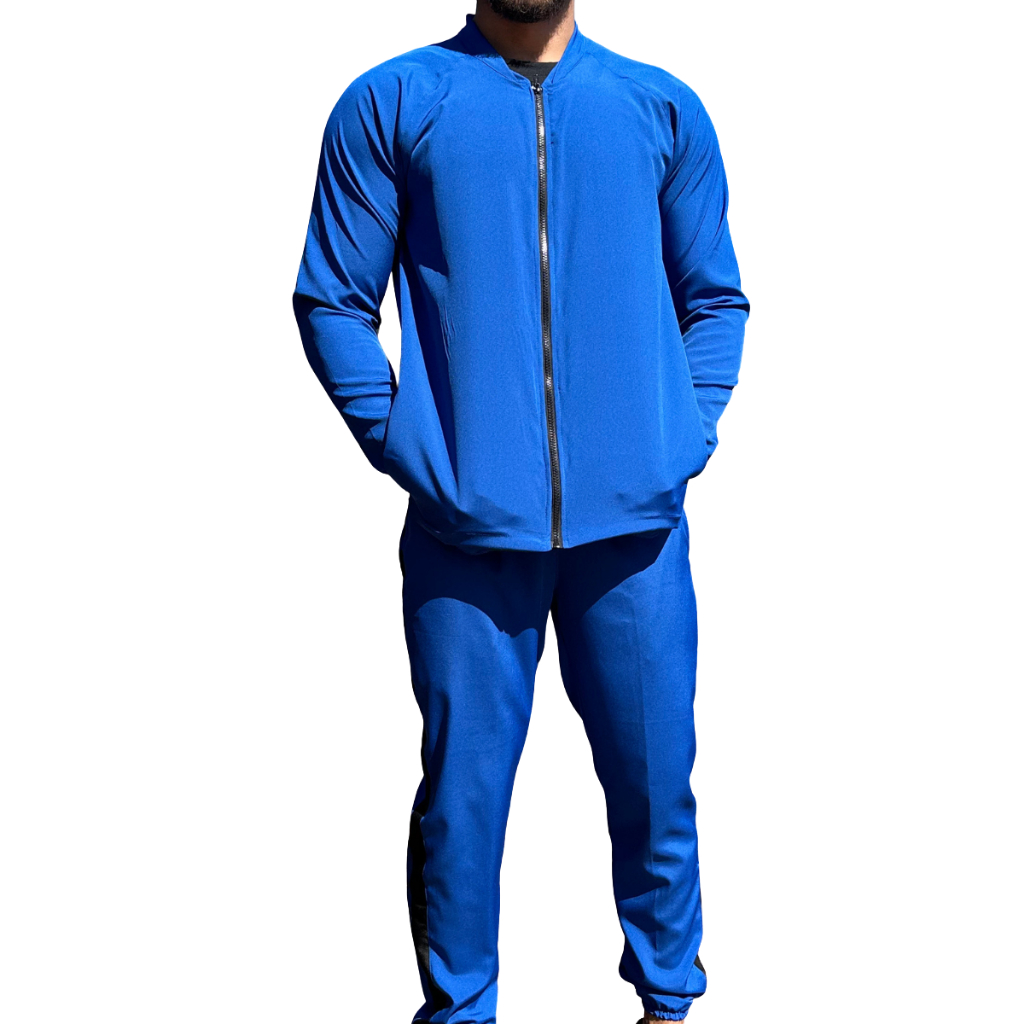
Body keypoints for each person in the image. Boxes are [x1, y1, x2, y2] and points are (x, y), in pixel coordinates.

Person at [292, 0, 749, 1019]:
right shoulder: (393, 103)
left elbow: (715, 297)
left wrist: (680, 435)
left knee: (656, 790)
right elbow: (331, 298)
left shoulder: (659, 109)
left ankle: (668, 1004)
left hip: (634, 541)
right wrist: (408, 445)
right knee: (461, 806)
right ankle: (461, 1012)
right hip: (465, 539)